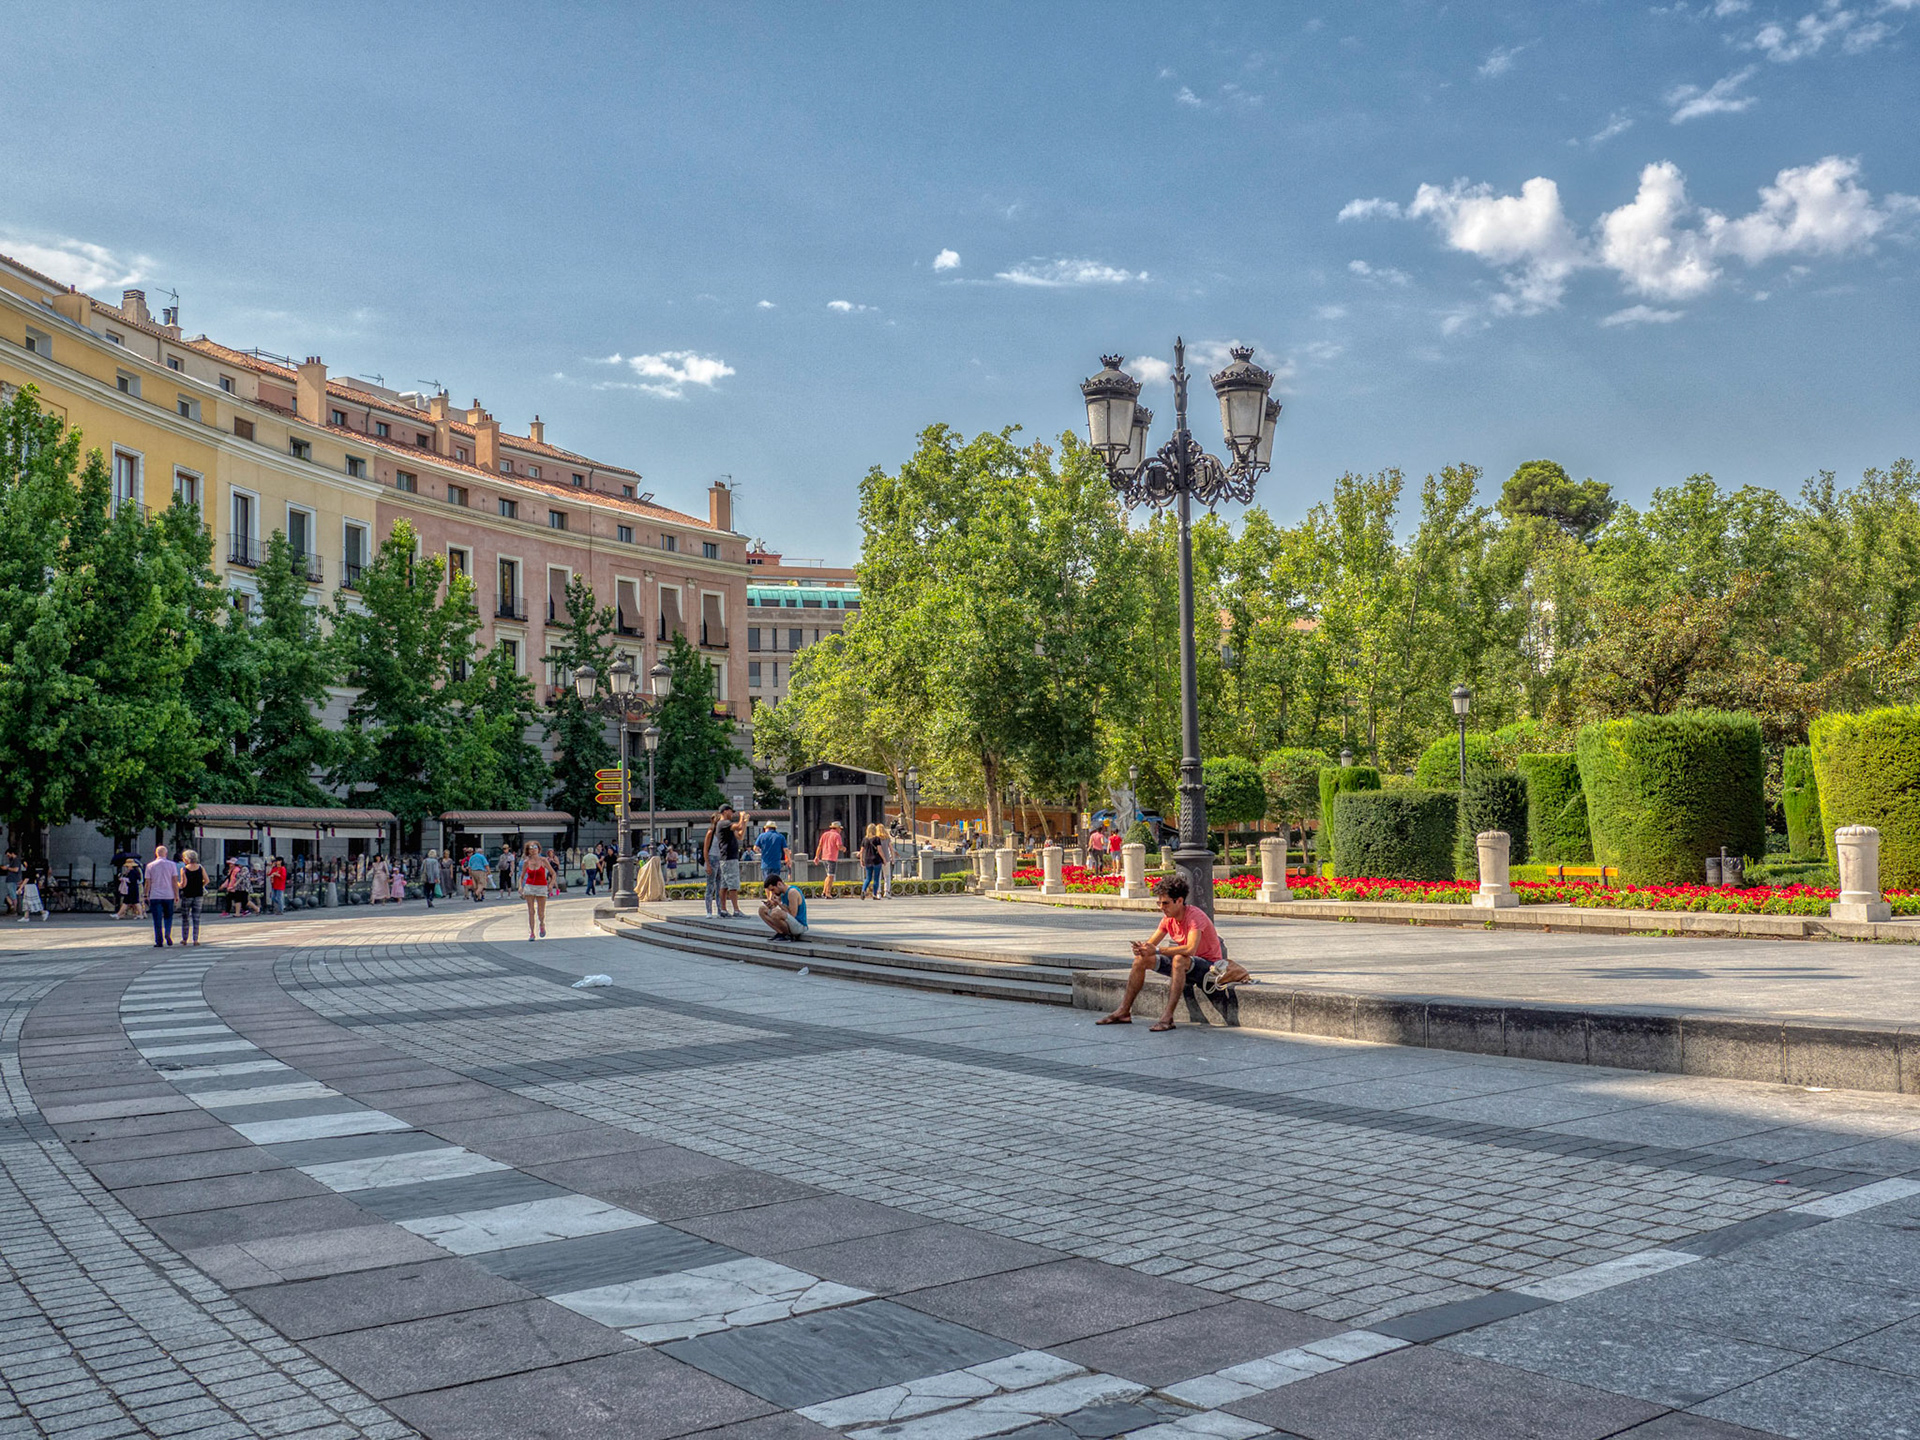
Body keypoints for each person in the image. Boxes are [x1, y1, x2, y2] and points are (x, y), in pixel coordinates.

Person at [1097, 875, 1244, 1032]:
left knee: (1179, 959)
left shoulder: (1195, 917)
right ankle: (1123, 1011)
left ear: (1179, 901)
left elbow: (1190, 949)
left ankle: (1167, 1017)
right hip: (1187, 966)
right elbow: (1151, 944)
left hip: (1209, 968)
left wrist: (1158, 950)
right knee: (1140, 960)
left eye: (1165, 903)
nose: (1161, 907)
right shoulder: (1168, 919)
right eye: (1159, 902)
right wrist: (1142, 949)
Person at [144, 844, 178, 949]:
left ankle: (159, 940)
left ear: (156, 854)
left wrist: (146, 894)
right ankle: (168, 932)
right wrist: (176, 894)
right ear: (166, 854)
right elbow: (174, 881)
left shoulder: (150, 865)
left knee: (157, 919)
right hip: (168, 895)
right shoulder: (172, 865)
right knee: (168, 916)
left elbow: (147, 882)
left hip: (155, 895)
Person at [715, 805, 747, 918]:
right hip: (729, 858)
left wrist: (745, 822)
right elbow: (738, 826)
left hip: (727, 858)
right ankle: (736, 910)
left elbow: (740, 836)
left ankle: (723, 910)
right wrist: (741, 817)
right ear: (725, 812)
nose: (732, 814)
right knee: (733, 885)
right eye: (730, 812)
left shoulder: (727, 826)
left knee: (724, 885)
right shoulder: (723, 823)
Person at [758, 872, 809, 941]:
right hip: (791, 923)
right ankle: (781, 932)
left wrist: (779, 904)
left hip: (799, 926)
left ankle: (787, 935)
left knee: (775, 913)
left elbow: (792, 915)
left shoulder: (792, 892)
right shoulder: (781, 893)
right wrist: (770, 904)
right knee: (762, 909)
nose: (773, 893)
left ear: (779, 884)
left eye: (773, 890)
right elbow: (774, 906)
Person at [519, 840, 551, 940]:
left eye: (535, 848)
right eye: (530, 849)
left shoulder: (543, 860)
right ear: (528, 851)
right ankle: (532, 932)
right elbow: (522, 876)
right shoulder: (526, 862)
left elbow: (553, 873)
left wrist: (551, 884)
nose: (533, 850)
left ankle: (542, 924)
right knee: (531, 911)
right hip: (530, 886)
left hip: (541, 886)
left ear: (538, 849)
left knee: (540, 912)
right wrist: (520, 886)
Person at [177, 849, 208, 945]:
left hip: (188, 895)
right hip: (198, 894)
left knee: (185, 917)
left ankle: (185, 938)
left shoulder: (184, 869)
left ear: (186, 859)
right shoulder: (200, 868)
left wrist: (177, 884)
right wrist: (200, 885)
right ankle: (195, 939)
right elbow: (207, 880)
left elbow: (183, 884)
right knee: (196, 917)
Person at [815, 820, 845, 900]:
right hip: (832, 857)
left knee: (828, 875)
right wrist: (844, 849)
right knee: (831, 875)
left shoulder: (825, 834)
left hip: (824, 857)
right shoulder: (837, 835)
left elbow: (820, 846)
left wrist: (817, 856)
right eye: (840, 829)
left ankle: (824, 891)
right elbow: (839, 846)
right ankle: (828, 893)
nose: (840, 830)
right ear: (837, 828)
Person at [755, 820, 788, 888]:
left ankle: (769, 897)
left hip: (765, 864)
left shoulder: (761, 836)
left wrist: (761, 852)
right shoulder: (780, 836)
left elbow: (755, 848)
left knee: (767, 883)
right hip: (776, 864)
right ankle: (773, 897)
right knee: (775, 883)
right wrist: (789, 860)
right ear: (775, 828)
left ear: (767, 828)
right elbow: (786, 849)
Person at [859, 824, 885, 900]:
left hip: (867, 860)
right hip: (876, 860)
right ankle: (874, 894)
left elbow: (861, 851)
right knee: (876, 878)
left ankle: (863, 890)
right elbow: (879, 850)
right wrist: (884, 859)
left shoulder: (865, 839)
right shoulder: (877, 839)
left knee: (868, 878)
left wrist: (861, 860)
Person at [1, 848, 19, 917]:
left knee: (13, 895)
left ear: (12, 853)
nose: (8, 857)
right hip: (11, 879)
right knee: (9, 895)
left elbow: (16, 869)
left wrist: (7, 868)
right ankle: (12, 907)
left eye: (8, 855)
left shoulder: (15, 860)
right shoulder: (13, 861)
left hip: (12, 879)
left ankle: (14, 909)